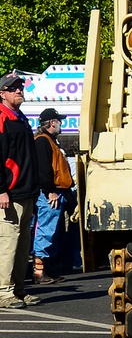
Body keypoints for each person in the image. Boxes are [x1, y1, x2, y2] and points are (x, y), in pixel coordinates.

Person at [0, 74, 42, 309]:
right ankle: (3, 292)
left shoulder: (20, 118)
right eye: (12, 88)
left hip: (27, 192)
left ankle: (18, 289)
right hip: (10, 194)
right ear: (2, 93)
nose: (18, 91)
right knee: (7, 244)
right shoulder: (2, 118)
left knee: (22, 245)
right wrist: (1, 190)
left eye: (20, 87)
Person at [33, 108, 75, 283]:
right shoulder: (43, 141)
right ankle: (39, 271)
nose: (60, 124)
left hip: (57, 192)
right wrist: (49, 191)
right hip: (50, 194)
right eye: (59, 121)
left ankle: (47, 268)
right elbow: (43, 169)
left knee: (52, 231)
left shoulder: (49, 141)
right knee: (46, 230)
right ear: (52, 123)